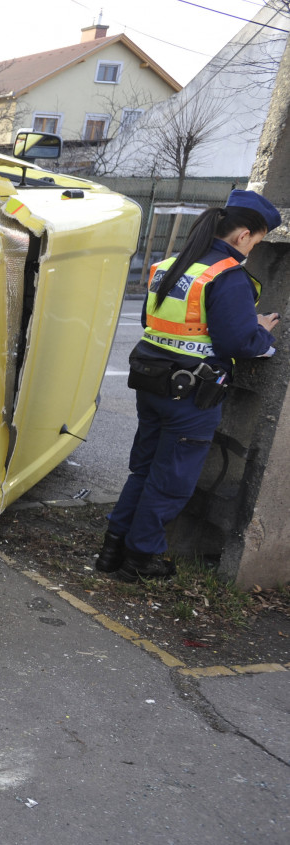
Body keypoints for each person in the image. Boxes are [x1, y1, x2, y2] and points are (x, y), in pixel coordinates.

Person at [96, 189, 282, 580]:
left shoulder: (171, 265)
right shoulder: (227, 276)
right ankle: (139, 561)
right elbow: (237, 342)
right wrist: (261, 332)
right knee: (171, 482)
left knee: (144, 471)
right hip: (191, 395)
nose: (254, 250)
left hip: (152, 383)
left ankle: (111, 551)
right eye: (259, 241)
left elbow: (154, 323)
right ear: (244, 235)